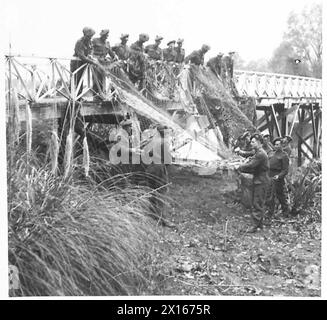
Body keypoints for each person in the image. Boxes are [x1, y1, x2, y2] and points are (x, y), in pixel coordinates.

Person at [236, 133, 270, 232]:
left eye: (253, 142)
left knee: (257, 203)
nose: (251, 143)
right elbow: (250, 157)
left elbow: (251, 165)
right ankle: (259, 225)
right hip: (260, 180)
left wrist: (239, 166)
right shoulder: (258, 152)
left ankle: (254, 226)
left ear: (259, 142)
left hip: (261, 181)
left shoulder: (260, 154)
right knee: (259, 202)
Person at [144, 125, 175, 228]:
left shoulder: (152, 141)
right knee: (161, 193)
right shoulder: (164, 142)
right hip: (159, 169)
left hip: (150, 168)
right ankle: (162, 219)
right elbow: (168, 161)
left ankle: (152, 215)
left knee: (152, 192)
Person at [71, 27, 99, 99]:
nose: (90, 37)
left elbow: (91, 50)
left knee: (81, 80)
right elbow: (81, 56)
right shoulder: (79, 42)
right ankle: (74, 98)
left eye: (91, 36)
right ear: (85, 35)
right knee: (76, 79)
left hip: (83, 62)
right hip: (76, 63)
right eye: (89, 36)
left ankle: (78, 97)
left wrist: (90, 55)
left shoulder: (89, 42)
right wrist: (92, 61)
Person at [266, 137, 290, 219]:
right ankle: (270, 212)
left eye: (278, 144)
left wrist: (279, 176)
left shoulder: (284, 155)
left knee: (281, 195)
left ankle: (286, 212)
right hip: (269, 175)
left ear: (281, 145)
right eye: (275, 144)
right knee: (269, 195)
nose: (276, 146)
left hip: (278, 177)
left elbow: (285, 170)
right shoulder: (271, 153)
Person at [91, 29, 116, 97]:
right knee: (96, 79)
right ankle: (96, 96)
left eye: (107, 35)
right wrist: (92, 57)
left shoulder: (107, 43)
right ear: (101, 35)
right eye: (104, 35)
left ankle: (102, 95)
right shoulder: (94, 40)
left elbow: (111, 53)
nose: (106, 36)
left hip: (104, 63)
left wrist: (115, 57)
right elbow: (90, 49)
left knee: (103, 79)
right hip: (96, 62)